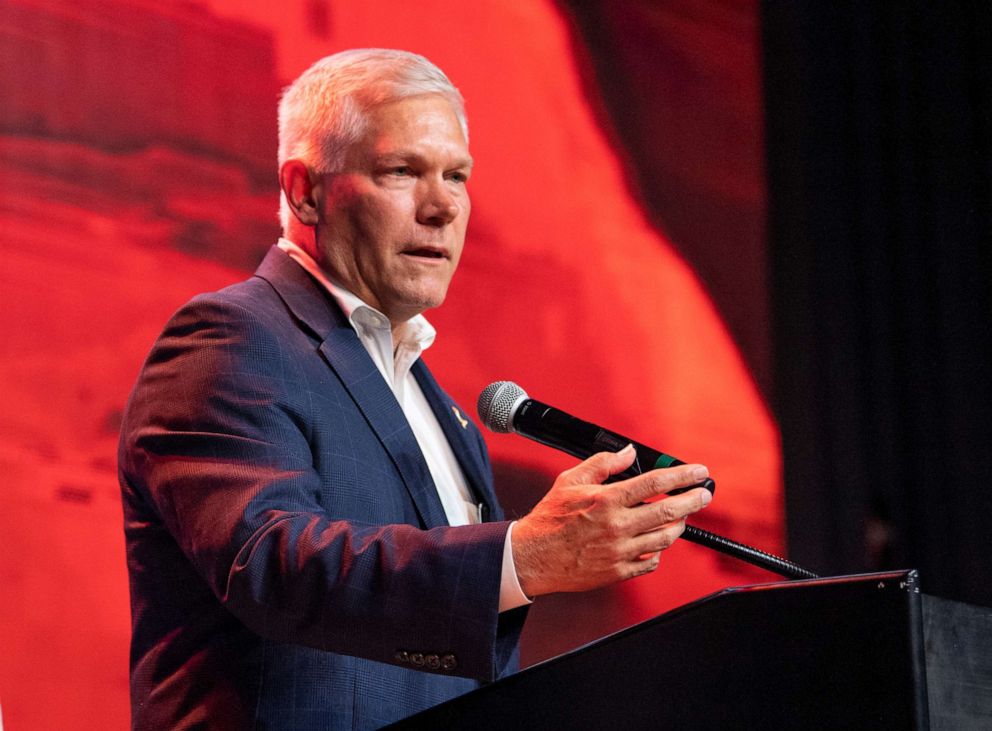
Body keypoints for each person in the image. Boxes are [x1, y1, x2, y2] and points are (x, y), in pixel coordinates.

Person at [118, 48, 713, 730]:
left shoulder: (448, 414)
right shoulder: (230, 338)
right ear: (303, 190)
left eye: (457, 175)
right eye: (402, 171)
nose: (443, 207)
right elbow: (275, 565)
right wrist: (523, 556)